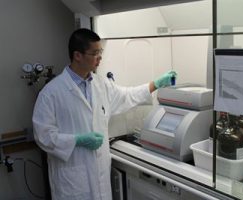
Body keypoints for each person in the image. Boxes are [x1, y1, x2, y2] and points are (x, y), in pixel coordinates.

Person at [32, 28, 177, 200]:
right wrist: (77, 140)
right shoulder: (51, 93)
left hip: (99, 177)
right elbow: (43, 136)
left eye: (100, 52)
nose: (100, 57)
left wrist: (156, 83)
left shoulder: (102, 85)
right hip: (72, 181)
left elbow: (127, 96)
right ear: (77, 55)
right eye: (95, 53)